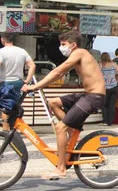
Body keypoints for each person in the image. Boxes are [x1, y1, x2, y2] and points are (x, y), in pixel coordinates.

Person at [21, 31, 106, 180]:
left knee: (60, 127)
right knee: (52, 103)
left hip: (94, 97)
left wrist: (35, 86)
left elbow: (58, 71)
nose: (61, 47)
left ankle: (61, 168)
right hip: (87, 94)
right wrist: (39, 85)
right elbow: (59, 73)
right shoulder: (77, 54)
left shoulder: (80, 52)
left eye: (63, 44)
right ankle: (72, 131)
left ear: (73, 45)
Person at [0, 33, 36, 131]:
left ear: (2, 40)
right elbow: (32, 65)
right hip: (19, 83)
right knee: (13, 106)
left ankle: (6, 131)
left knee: (5, 108)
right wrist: (27, 80)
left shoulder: (1, 52)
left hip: (6, 83)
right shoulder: (22, 51)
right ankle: (11, 128)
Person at [99, 52, 118, 126]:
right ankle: (110, 121)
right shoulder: (113, 64)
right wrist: (117, 80)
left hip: (105, 87)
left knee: (104, 105)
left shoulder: (101, 65)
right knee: (112, 105)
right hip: (114, 86)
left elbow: (97, 74)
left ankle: (105, 121)